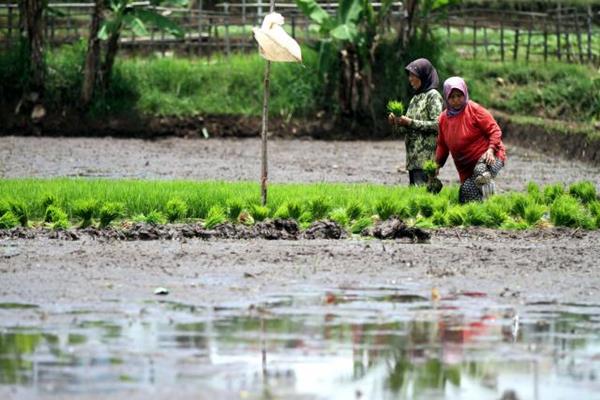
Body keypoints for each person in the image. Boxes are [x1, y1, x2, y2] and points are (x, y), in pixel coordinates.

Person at [435, 76, 506, 203]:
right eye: (452, 97)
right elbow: (442, 146)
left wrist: (490, 150)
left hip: (490, 157)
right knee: (466, 193)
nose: (456, 100)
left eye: (459, 95)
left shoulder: (474, 110)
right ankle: (484, 209)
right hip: (467, 168)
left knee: (481, 172)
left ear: (465, 93)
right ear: (446, 98)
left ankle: (494, 202)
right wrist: (437, 165)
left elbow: (495, 130)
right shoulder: (443, 119)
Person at [388, 58, 443, 186]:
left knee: (422, 194)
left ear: (423, 75)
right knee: (415, 194)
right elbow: (406, 128)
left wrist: (410, 122)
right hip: (413, 159)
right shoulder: (415, 98)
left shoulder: (433, 95)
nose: (410, 79)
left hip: (426, 158)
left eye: (414, 75)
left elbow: (438, 125)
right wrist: (396, 122)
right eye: (410, 75)